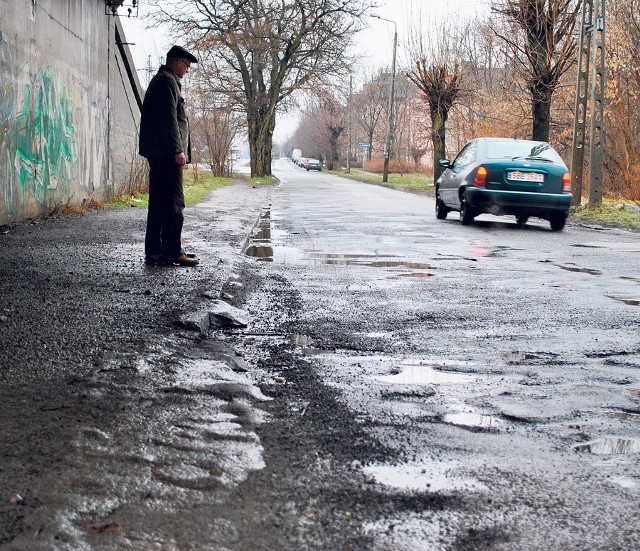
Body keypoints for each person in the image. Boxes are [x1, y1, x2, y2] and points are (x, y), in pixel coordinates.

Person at [139, 45, 199, 266]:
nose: (187, 69)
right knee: (174, 202)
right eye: (186, 65)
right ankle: (172, 251)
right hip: (167, 154)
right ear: (176, 62)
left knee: (158, 202)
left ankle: (155, 250)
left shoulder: (163, 80)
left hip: (159, 152)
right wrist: (177, 150)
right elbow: (168, 120)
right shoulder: (167, 81)